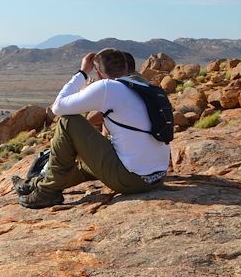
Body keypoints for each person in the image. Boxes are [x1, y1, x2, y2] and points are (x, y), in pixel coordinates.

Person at [17, 48, 170, 209]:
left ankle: (47, 192)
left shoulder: (107, 87)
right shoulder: (147, 88)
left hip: (130, 180)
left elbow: (58, 107)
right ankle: (33, 183)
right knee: (86, 167)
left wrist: (82, 72)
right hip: (157, 178)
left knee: (68, 122)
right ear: (126, 64)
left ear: (98, 73)